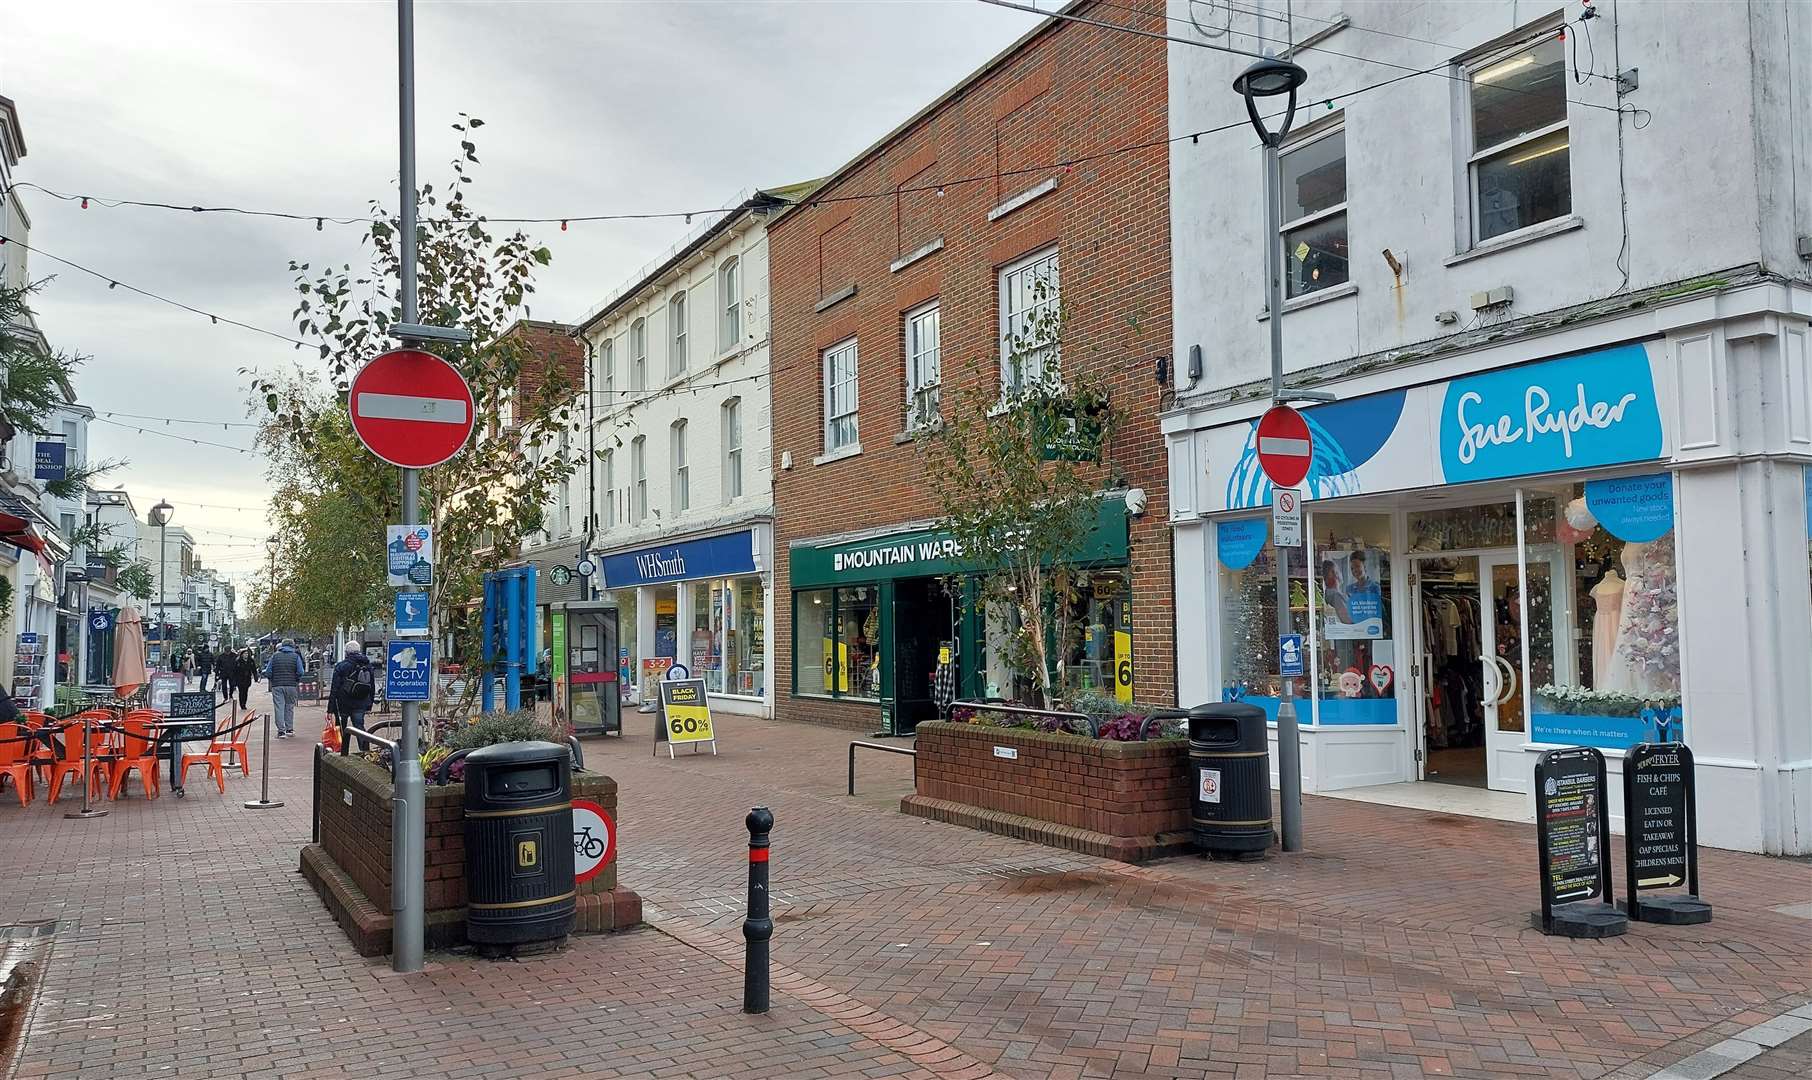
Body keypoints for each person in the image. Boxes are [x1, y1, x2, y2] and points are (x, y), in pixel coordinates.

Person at [329, 642, 377, 751]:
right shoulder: (368, 666)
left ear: (346, 652)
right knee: (359, 727)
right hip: (361, 702)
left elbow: (334, 688)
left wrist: (330, 709)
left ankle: (342, 751)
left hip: (343, 703)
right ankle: (364, 751)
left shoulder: (341, 666)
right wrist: (370, 704)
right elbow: (372, 686)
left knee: (341, 727)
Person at [263, 637, 306, 739]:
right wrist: (295, 678)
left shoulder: (275, 656)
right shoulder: (295, 657)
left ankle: (281, 731)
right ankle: (289, 728)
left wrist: (272, 679)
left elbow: (268, 671)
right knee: (289, 707)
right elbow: (301, 672)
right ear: (292, 645)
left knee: (279, 707)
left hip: (277, 685)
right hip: (291, 685)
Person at [230, 644, 255, 710]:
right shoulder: (238, 661)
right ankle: (242, 704)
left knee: (245, 691)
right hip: (240, 679)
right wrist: (234, 680)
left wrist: (255, 677)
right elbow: (234, 671)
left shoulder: (251, 661)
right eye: (245, 654)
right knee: (241, 691)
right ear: (242, 654)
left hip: (247, 678)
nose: (246, 655)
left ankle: (244, 703)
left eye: (247, 653)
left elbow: (254, 669)